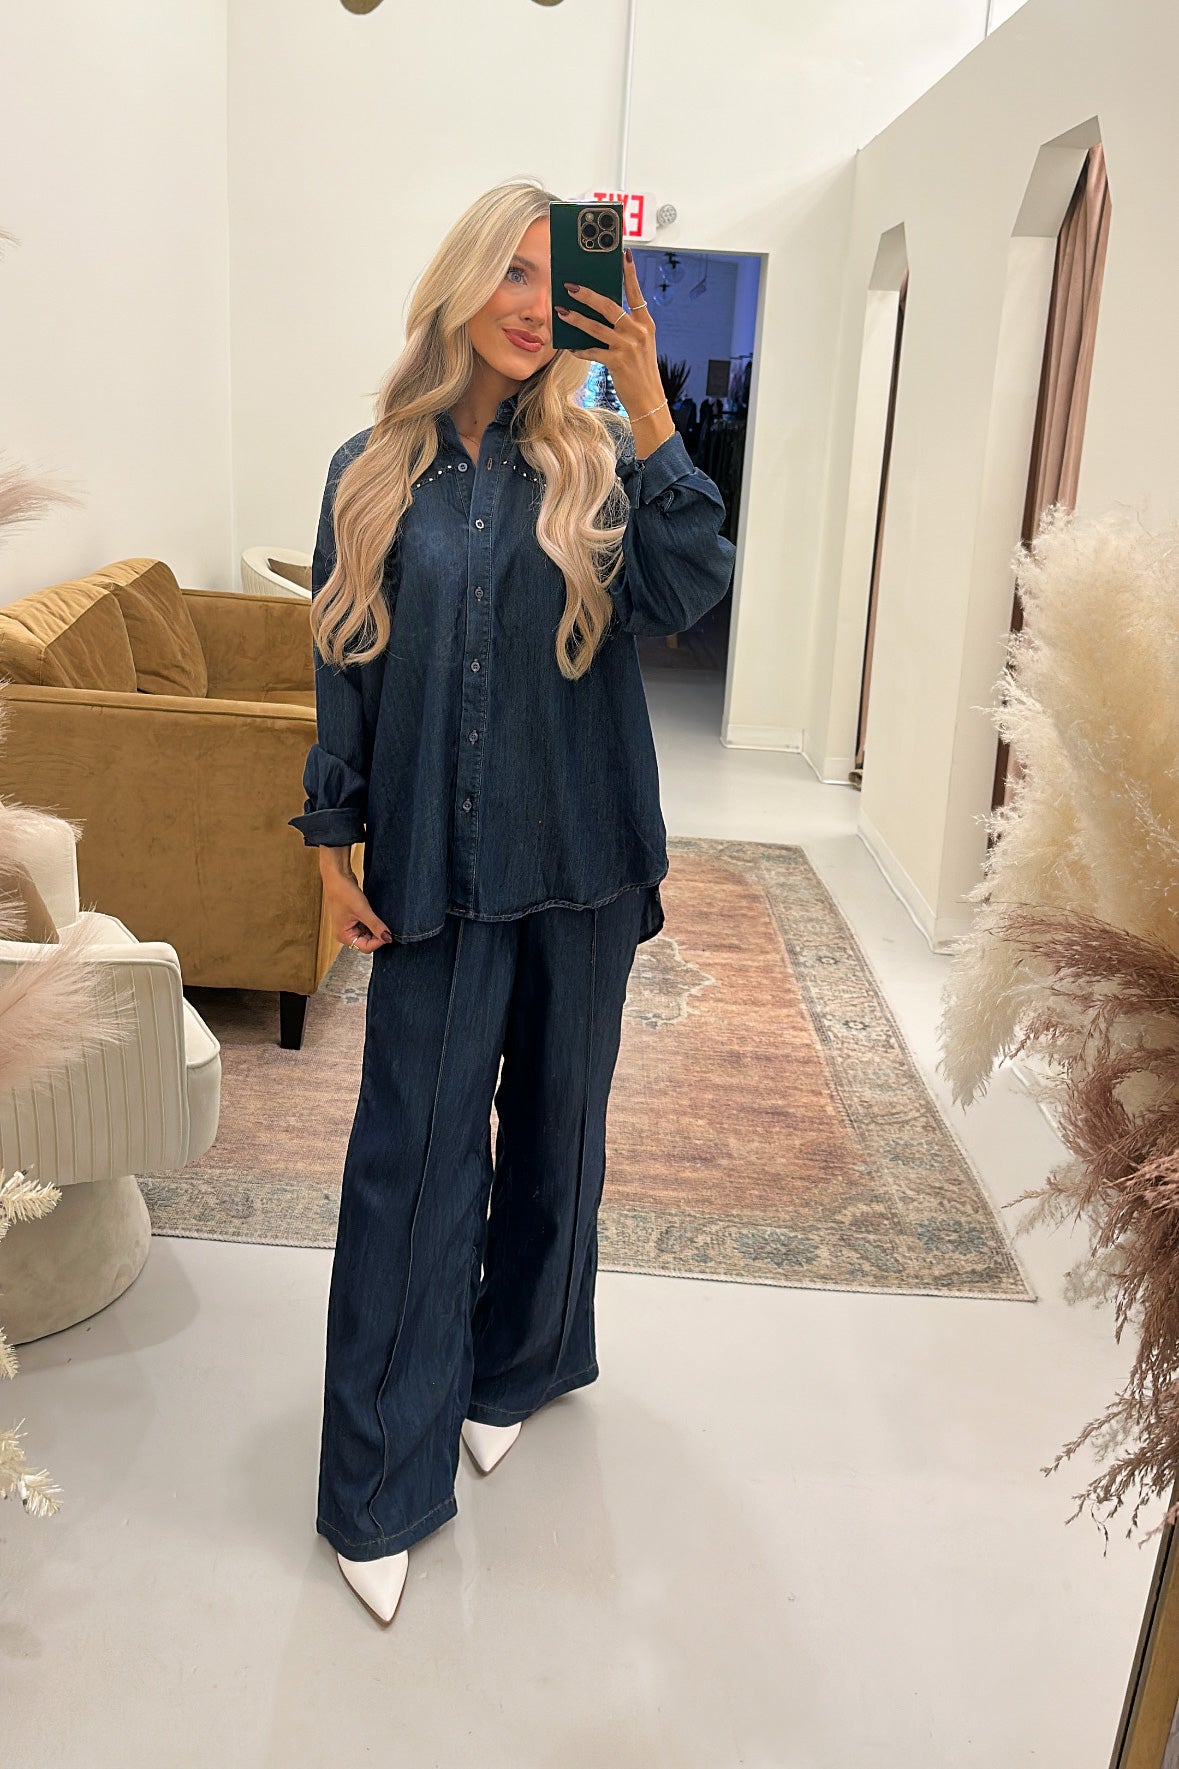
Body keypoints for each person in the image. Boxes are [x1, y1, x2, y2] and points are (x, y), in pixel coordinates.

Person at [288, 178, 736, 1625]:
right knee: (410, 1163)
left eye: (562, 278)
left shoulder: (595, 464)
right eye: (516, 272)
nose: (538, 305)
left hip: (584, 858)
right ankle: (377, 1478)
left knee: (558, 1132)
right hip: (435, 867)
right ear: (465, 279)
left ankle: (520, 1364)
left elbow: (690, 586)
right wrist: (331, 838)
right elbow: (345, 660)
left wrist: (649, 400)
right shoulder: (370, 470)